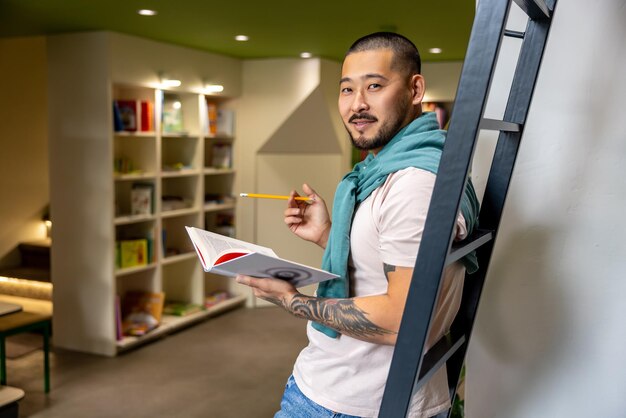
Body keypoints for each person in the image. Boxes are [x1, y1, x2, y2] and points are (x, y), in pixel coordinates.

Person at [235, 32, 479, 418]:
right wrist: (327, 234)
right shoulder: (388, 170)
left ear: (415, 89)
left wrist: (293, 301)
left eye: (375, 86)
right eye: (346, 89)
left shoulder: (413, 184)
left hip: (352, 403)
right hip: (336, 385)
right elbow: (387, 266)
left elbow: (403, 322)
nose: (357, 104)